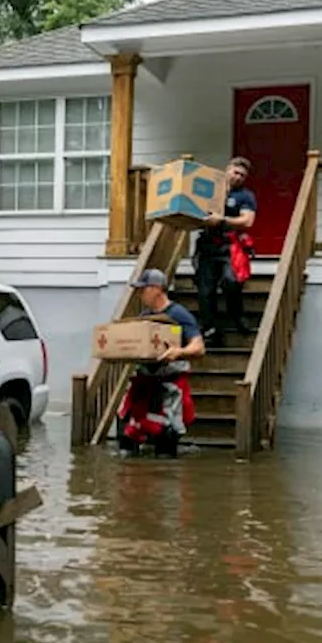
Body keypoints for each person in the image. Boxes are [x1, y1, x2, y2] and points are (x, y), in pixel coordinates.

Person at [115, 268, 206, 457]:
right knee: (127, 441)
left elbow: (199, 347)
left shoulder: (179, 314)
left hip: (169, 386)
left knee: (165, 443)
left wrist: (178, 352)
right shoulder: (145, 318)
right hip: (144, 384)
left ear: (157, 289)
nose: (140, 294)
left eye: (144, 289)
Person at [194, 156, 257, 344]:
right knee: (205, 291)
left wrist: (222, 220)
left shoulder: (245, 196)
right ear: (227, 170)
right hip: (206, 246)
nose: (238, 177)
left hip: (229, 246)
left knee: (231, 282)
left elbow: (248, 221)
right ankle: (212, 330)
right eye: (235, 172)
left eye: (242, 175)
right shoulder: (209, 191)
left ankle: (238, 316)